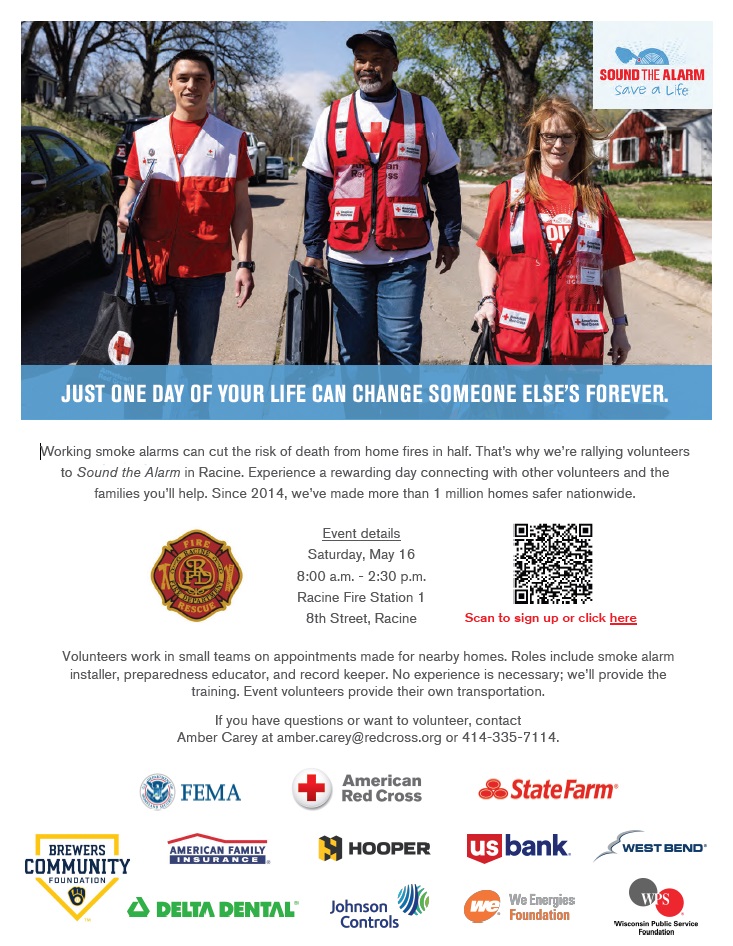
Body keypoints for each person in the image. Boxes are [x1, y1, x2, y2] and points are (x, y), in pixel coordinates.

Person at [302, 29, 462, 365]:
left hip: (405, 255)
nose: (368, 67)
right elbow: (317, 184)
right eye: (361, 59)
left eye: (377, 60)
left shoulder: (421, 110)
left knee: (401, 349)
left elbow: (444, 179)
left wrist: (450, 236)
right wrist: (313, 249)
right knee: (352, 354)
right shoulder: (334, 114)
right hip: (348, 258)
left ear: (395, 64)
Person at [117, 49, 255, 365]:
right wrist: (126, 210)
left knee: (196, 363)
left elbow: (242, 207)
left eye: (199, 79)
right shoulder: (146, 137)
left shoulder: (231, 141)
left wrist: (245, 264)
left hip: (203, 274)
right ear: (170, 84)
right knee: (143, 365)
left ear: (212, 85)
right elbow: (131, 189)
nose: (191, 85)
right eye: (183, 78)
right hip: (147, 269)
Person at [475, 97, 634, 365]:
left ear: (577, 141)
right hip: (518, 345)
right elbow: (488, 256)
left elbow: (608, 269)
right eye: (550, 136)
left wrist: (620, 326)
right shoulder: (508, 195)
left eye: (566, 137)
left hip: (576, 347)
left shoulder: (596, 200)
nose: (558, 145)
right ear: (537, 140)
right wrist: (487, 300)